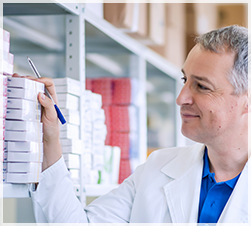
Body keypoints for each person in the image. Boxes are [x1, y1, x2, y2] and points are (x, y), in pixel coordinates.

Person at [15, 25, 249, 223]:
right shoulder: (159, 168)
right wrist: (50, 138)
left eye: (202, 86)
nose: (181, 98)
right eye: (185, 80)